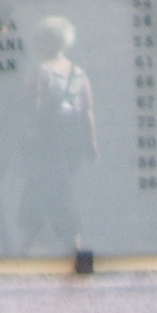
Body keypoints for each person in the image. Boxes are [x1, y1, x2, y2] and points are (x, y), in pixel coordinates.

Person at [17, 15, 96, 255]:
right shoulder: (79, 73)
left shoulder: (40, 72)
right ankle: (29, 243)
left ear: (45, 43)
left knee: (54, 192)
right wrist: (91, 143)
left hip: (46, 141)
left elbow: (32, 106)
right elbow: (87, 110)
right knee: (45, 189)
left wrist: (24, 139)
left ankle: (71, 244)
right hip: (72, 142)